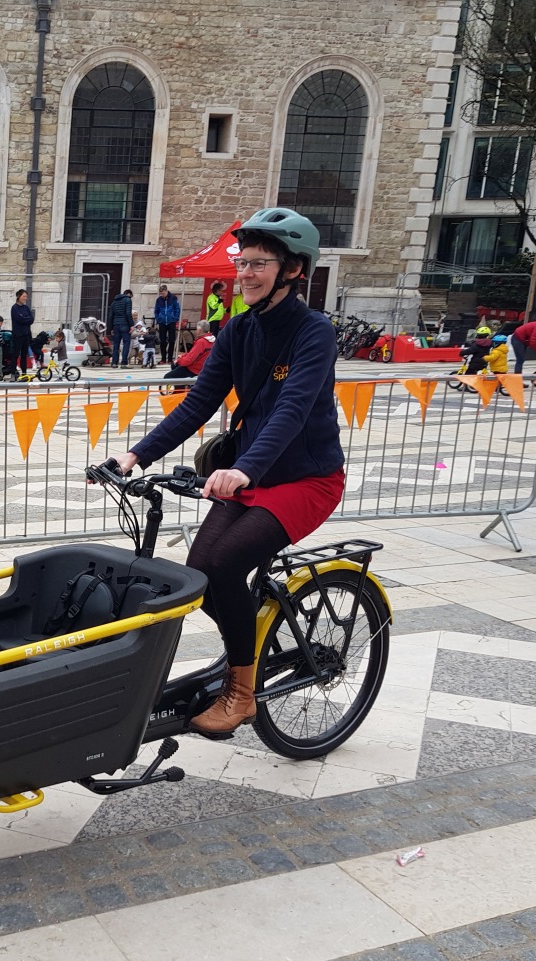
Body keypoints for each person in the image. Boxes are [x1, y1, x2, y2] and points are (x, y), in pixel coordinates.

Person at [110, 207, 344, 736]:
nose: (246, 273)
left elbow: (293, 410)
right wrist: (134, 456)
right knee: (200, 573)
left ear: (293, 270)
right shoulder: (237, 330)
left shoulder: (314, 333)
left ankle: (242, 695)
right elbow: (197, 404)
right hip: (250, 474)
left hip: (306, 479)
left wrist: (243, 469)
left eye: (260, 263)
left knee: (225, 563)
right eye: (244, 262)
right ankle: (251, 644)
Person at [154, 283, 181, 364]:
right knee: (162, 341)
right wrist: (158, 319)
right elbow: (156, 310)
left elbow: (177, 308)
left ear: (166, 291)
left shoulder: (173, 298)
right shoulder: (159, 300)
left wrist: (175, 318)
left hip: (171, 321)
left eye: (163, 293)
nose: (162, 295)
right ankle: (163, 358)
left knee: (171, 340)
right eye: (160, 293)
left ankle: (170, 359)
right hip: (162, 322)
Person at [108, 288, 135, 367]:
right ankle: (124, 362)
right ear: (129, 294)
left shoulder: (114, 302)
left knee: (116, 344)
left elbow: (110, 316)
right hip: (125, 325)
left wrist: (111, 328)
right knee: (126, 344)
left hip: (116, 325)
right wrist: (131, 325)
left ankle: (114, 362)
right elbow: (128, 313)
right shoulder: (128, 300)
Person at [10, 289, 35, 373]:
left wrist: (25, 319)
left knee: (24, 355)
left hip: (26, 334)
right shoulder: (14, 308)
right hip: (18, 334)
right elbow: (19, 319)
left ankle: (24, 372)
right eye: (24, 296)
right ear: (18, 296)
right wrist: (26, 319)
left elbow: (31, 319)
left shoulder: (26, 308)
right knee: (16, 354)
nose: (25, 298)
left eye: (26, 297)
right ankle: (13, 372)